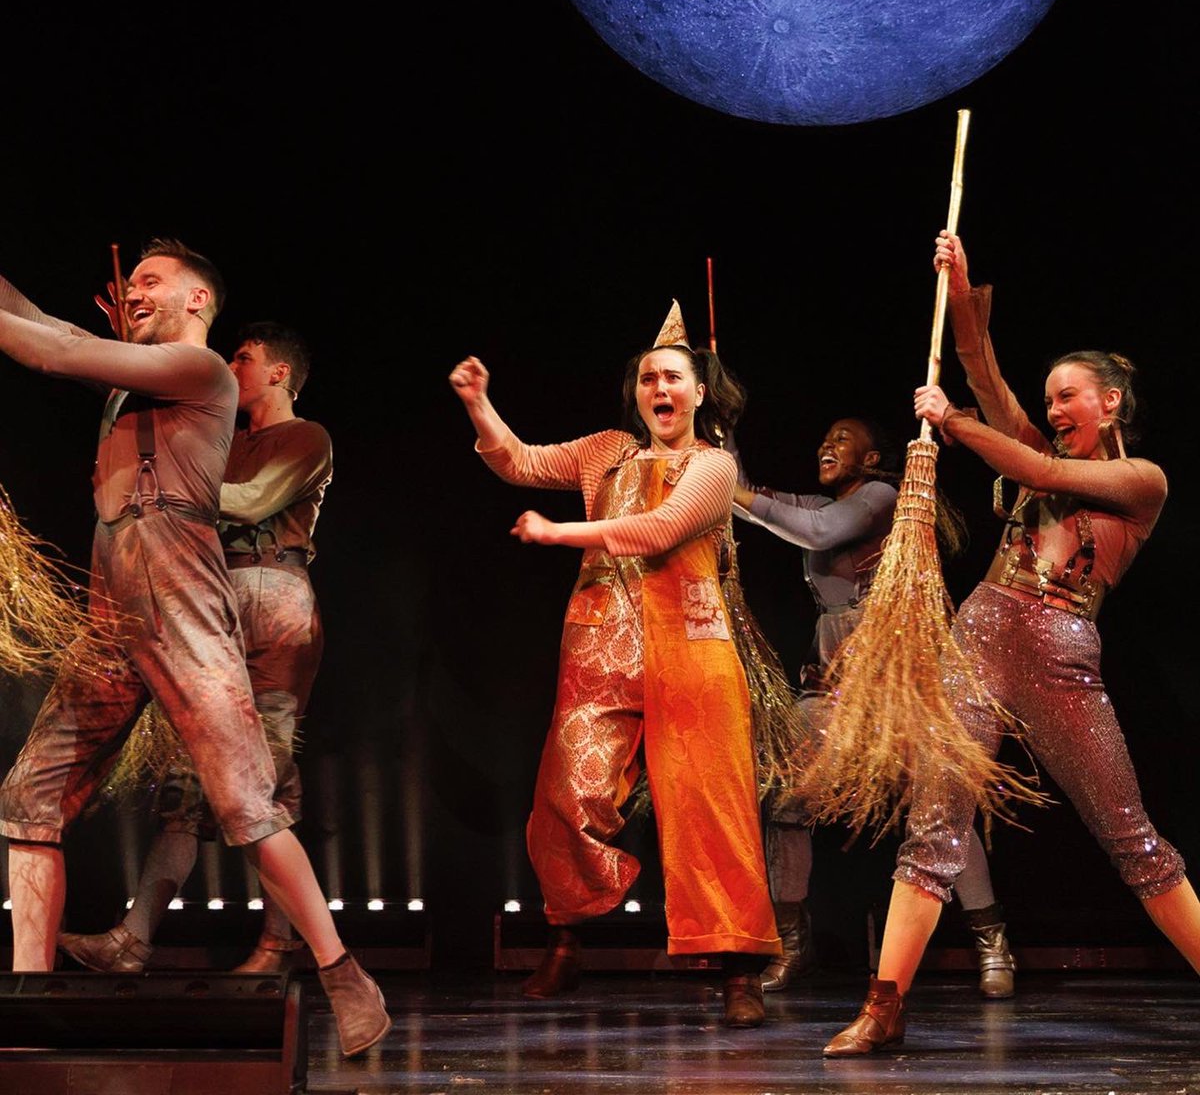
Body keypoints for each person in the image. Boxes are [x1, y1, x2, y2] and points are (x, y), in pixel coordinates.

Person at [0, 245, 387, 1058]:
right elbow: (52, 326)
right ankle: (27, 995)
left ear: (198, 297)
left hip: (180, 597)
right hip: (115, 604)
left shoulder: (200, 369)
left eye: (150, 281)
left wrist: (88, 341)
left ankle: (342, 971)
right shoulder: (134, 377)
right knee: (29, 797)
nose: (132, 292)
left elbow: (52, 349)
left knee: (245, 798)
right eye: (130, 280)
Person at [824, 231, 1200, 1056]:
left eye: (1069, 399)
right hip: (981, 637)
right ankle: (883, 1005)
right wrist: (958, 287)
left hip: (1063, 661)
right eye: (1050, 400)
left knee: (1134, 841)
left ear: (1111, 405)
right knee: (934, 827)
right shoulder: (1034, 445)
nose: (1055, 413)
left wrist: (952, 423)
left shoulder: (1143, 482)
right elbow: (983, 370)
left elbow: (1048, 479)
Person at [448, 301, 781, 1029]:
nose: (659, 390)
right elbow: (521, 461)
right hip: (601, 640)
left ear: (699, 393)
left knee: (709, 805)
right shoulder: (605, 451)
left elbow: (662, 528)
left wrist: (561, 530)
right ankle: (566, 937)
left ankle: (737, 967)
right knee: (567, 792)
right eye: (647, 380)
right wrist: (479, 404)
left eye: (672, 378)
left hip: (692, 645)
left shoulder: (714, 465)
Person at [56, 320, 332, 975]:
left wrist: (166, 491)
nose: (229, 365)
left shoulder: (306, 437)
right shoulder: (218, 434)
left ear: (279, 373)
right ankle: (133, 939)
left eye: (244, 357)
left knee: (256, 779)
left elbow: (251, 500)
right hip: (207, 599)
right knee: (188, 779)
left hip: (273, 598)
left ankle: (278, 945)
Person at [732, 417, 1016, 997]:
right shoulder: (814, 502)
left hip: (899, 685)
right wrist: (716, 438)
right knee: (786, 801)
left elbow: (815, 531)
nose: (826, 443)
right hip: (830, 686)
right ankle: (792, 944)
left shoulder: (882, 497)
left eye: (842, 437)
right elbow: (737, 489)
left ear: (871, 458)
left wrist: (733, 489)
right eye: (824, 435)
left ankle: (991, 942)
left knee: (942, 809)